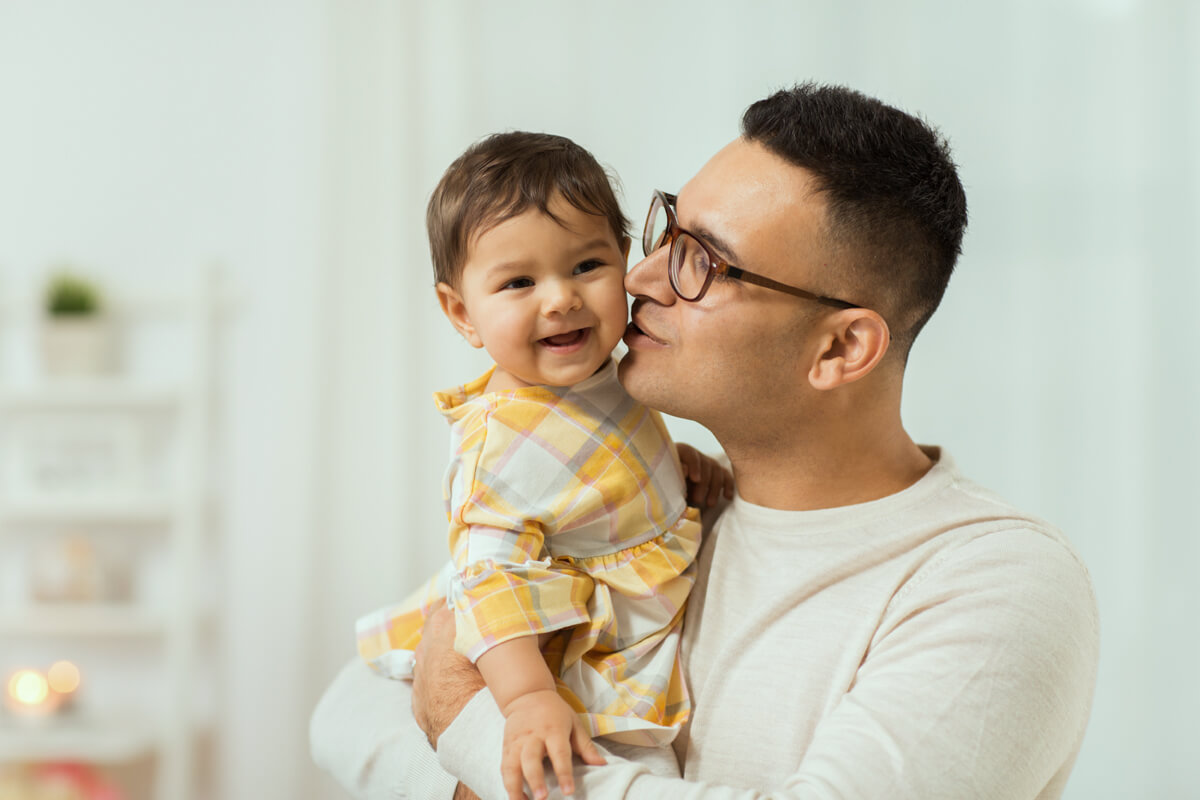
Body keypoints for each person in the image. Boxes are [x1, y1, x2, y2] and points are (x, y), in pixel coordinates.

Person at [311, 83, 1099, 800]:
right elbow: (353, 701)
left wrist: (471, 732)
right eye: (664, 232)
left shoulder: (995, 582)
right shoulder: (655, 497)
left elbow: (440, 693)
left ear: (840, 349)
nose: (640, 278)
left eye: (703, 262)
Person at [351, 131, 735, 800]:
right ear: (462, 313)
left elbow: (590, 472)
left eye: (586, 266)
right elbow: (486, 577)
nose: (559, 299)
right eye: (519, 282)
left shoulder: (611, 373)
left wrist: (674, 466)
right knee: (625, 769)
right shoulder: (500, 441)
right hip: (560, 650)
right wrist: (527, 699)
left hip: (627, 603)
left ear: (623, 260)